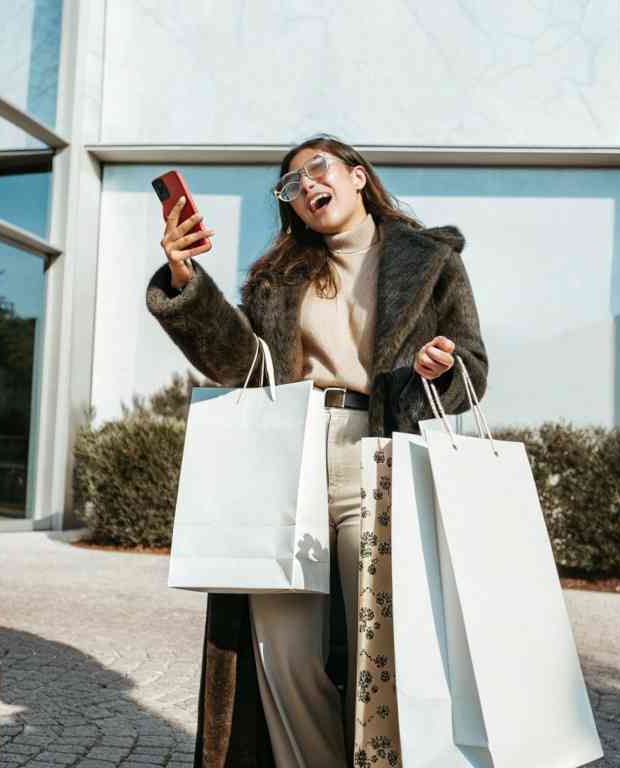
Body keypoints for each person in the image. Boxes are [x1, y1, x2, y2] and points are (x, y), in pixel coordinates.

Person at [145, 135, 488, 768]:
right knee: (282, 654)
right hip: (288, 457)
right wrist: (185, 280)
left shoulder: (433, 260)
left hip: (378, 458)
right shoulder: (279, 277)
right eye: (290, 185)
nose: (305, 187)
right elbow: (241, 365)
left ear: (358, 177)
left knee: (380, 650)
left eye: (317, 170)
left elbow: (473, 365)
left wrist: (443, 366)